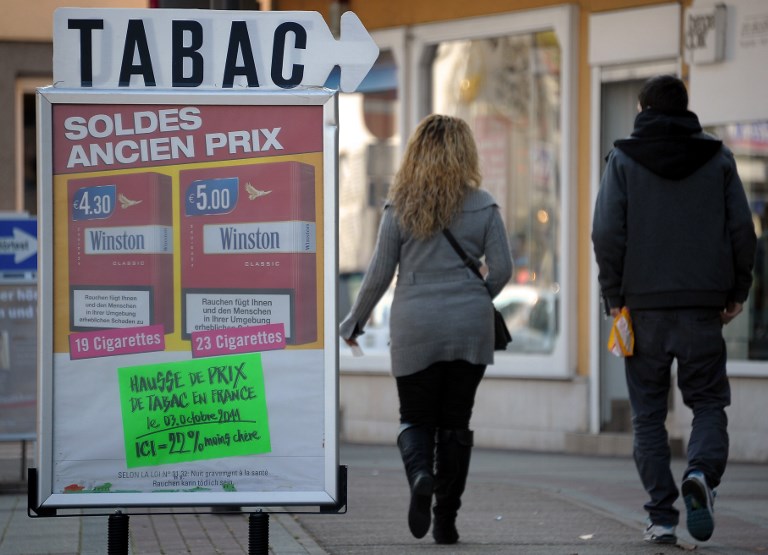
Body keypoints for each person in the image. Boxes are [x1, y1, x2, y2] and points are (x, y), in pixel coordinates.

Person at [592, 75, 756, 545]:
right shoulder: (719, 158)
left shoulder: (622, 160)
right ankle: (701, 474)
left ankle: (661, 518)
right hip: (703, 308)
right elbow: (744, 232)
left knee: (647, 416)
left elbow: (606, 233)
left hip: (642, 312)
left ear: (643, 108)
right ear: (686, 108)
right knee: (707, 403)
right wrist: (737, 291)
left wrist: (614, 297)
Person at [340, 114, 512, 544]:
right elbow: (504, 270)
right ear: (465, 153)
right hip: (470, 326)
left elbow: (379, 274)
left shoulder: (401, 205)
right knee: (456, 423)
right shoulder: (485, 203)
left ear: (416, 153)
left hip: (415, 322)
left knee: (415, 418)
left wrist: (353, 322)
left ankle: (420, 474)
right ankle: (446, 520)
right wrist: (474, 294)